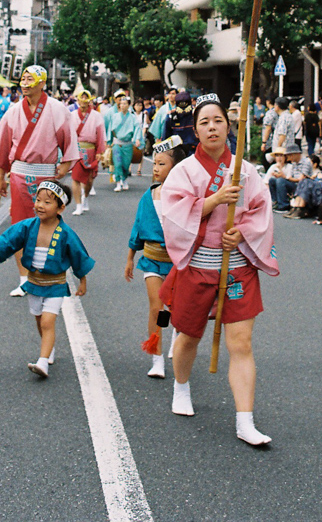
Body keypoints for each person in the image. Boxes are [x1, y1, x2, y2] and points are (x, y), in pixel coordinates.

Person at [159, 93, 278, 446]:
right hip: (198, 265)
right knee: (189, 335)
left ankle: (245, 420)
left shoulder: (246, 170)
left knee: (241, 342)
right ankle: (181, 386)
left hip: (237, 266)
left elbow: (261, 211)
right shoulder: (183, 171)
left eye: (218, 121)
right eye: (204, 122)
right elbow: (173, 215)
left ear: (229, 126)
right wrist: (214, 200)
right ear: (195, 131)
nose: (212, 127)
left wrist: (242, 233)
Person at [0, 179, 94, 377]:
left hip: (55, 284)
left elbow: (78, 256)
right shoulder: (28, 226)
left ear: (60, 208)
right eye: (38, 200)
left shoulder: (66, 233)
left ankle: (43, 362)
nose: (40, 205)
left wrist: (82, 280)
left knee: (47, 322)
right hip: (33, 282)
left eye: (47, 202)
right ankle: (48, 349)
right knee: (39, 319)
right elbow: (7, 240)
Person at [0, 64, 79, 296]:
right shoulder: (13, 111)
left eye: (30, 79)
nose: (25, 83)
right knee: (19, 227)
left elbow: (68, 139)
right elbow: (4, 146)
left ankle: (45, 272)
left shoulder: (57, 109)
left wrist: (65, 165)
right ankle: (23, 278)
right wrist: (1, 177)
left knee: (46, 226)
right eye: (23, 78)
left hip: (46, 175)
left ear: (42, 83)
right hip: (19, 174)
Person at [125, 136, 187, 379]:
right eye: (155, 163)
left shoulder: (185, 197)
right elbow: (138, 226)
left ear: (176, 168)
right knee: (156, 307)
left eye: (162, 164)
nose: (156, 168)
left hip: (177, 261)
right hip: (151, 259)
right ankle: (156, 357)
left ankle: (176, 338)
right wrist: (130, 257)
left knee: (175, 308)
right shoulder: (148, 196)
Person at [70, 90, 106, 216]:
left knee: (89, 179)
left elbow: (100, 134)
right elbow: (68, 134)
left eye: (86, 98)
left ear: (90, 100)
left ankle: (85, 197)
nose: (83, 101)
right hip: (76, 150)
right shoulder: (72, 115)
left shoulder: (96, 116)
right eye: (82, 98)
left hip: (91, 150)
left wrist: (100, 151)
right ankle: (78, 205)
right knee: (75, 178)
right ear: (78, 100)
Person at [107, 95, 143, 192]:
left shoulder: (133, 117)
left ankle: (124, 179)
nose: (123, 105)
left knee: (126, 165)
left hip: (127, 144)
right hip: (117, 144)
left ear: (128, 105)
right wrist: (109, 141)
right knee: (117, 163)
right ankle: (118, 182)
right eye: (121, 104)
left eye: (125, 104)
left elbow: (137, 128)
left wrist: (137, 139)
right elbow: (110, 129)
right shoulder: (114, 117)